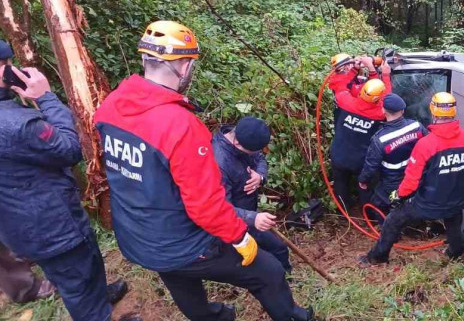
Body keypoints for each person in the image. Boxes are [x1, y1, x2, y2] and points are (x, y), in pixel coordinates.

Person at [94, 21, 314, 321]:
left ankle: (214, 316)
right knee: (269, 272)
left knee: (179, 277)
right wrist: (240, 237)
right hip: (182, 240)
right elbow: (204, 204)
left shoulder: (110, 106)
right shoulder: (180, 125)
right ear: (184, 67)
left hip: (138, 236)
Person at [0, 40, 135, 321]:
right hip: (51, 225)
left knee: (84, 263)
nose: (11, 72)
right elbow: (70, 149)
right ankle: (95, 311)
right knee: (76, 281)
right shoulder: (17, 125)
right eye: (5, 67)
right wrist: (46, 98)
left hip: (24, 220)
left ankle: (99, 296)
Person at [360, 92, 464, 265]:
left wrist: (397, 195)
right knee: (454, 223)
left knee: (393, 220)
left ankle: (377, 257)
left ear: (433, 112)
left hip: (426, 204)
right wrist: (463, 189)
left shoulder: (426, 145)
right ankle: (456, 253)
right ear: (454, 112)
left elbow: (411, 183)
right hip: (456, 201)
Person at [213, 116, 291, 272]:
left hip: (248, 212)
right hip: (236, 222)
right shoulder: (219, 164)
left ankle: (282, 277)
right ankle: (282, 280)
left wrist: (260, 176)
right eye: (252, 151)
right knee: (277, 250)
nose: (256, 153)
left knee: (277, 251)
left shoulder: (244, 136)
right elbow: (219, 207)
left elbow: (259, 158)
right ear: (237, 143)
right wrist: (252, 218)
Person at [330, 56, 392, 212]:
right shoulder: (379, 113)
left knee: (340, 183)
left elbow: (339, 85)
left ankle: (343, 211)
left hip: (339, 154)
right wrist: (380, 74)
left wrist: (354, 69)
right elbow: (388, 99)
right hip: (361, 161)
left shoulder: (346, 102)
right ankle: (369, 214)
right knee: (364, 186)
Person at [357, 93, 428, 219]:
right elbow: (429, 146)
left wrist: (363, 181)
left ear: (383, 110)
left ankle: (388, 231)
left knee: (377, 204)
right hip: (416, 176)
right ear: (402, 110)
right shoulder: (416, 126)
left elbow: (371, 166)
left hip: (392, 182)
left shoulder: (380, 139)